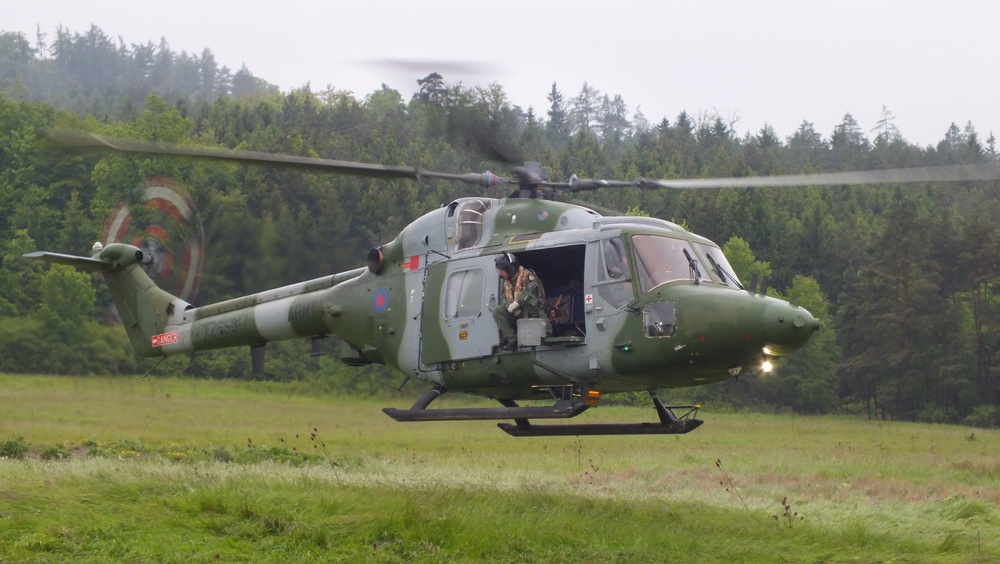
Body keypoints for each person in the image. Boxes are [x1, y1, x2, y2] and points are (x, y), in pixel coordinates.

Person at [492, 252, 546, 350]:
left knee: (530, 307)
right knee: (497, 311)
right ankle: (512, 339)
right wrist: (508, 306)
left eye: (502, 270)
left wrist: (518, 303)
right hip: (517, 315)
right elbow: (503, 297)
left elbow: (532, 293)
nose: (500, 273)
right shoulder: (506, 281)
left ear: (510, 269)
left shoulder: (528, 276)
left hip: (532, 314)